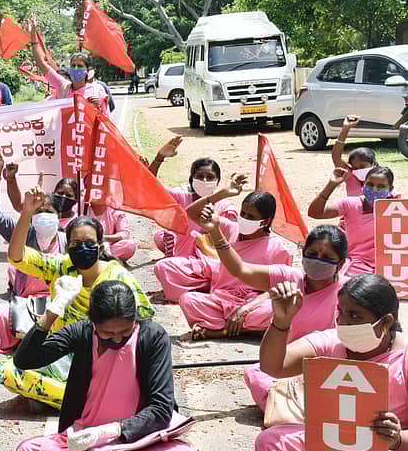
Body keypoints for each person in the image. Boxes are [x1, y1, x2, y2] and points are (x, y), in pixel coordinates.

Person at [14, 280, 198, 451]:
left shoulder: (153, 337)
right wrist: (54, 309)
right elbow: (25, 359)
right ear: (93, 323)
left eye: (124, 332)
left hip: (134, 444)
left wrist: (111, 430)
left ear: (135, 320)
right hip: (83, 444)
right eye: (108, 334)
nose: (118, 339)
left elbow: (161, 409)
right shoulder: (81, 333)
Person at [253, 274, 408, 451]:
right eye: (341, 312)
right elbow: (274, 366)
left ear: (385, 322)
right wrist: (281, 321)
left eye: (355, 316)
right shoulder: (333, 342)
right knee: (271, 443)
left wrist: (397, 439)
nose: (344, 323)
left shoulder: (404, 360)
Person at [0, 185, 155, 409]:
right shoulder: (60, 267)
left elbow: (145, 321)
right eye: (76, 245)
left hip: (106, 356)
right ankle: (85, 398)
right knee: (9, 372)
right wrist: (27, 214)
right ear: (67, 246)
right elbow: (17, 256)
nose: (83, 249)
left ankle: (69, 397)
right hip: (62, 354)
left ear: (100, 245)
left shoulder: (117, 276)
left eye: (89, 244)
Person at [196, 204, 349, 409]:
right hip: (288, 366)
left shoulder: (348, 291)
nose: (317, 261)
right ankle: (293, 406)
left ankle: (291, 407)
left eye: (327, 258)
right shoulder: (289, 277)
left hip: (329, 370)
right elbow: (241, 270)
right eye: (312, 254)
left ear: (340, 264)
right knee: (256, 374)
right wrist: (215, 232)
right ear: (303, 253)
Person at [156, 191, 293, 339]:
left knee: (277, 310)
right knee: (187, 300)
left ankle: (224, 331)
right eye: (243, 214)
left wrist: (245, 309)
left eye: (251, 217)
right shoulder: (231, 228)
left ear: (265, 222)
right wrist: (223, 193)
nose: (244, 219)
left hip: (253, 303)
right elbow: (191, 212)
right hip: (222, 294)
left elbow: (277, 289)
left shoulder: (277, 248)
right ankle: (243, 327)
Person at [0, 154, 67, 354]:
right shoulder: (24, 234)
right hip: (25, 304)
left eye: (49, 212)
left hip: (60, 304)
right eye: (38, 212)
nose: (44, 217)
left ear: (59, 216)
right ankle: (26, 339)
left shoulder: (67, 239)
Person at [149, 148, 239, 259]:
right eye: (200, 176)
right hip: (182, 258)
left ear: (218, 180)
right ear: (192, 179)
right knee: (161, 253)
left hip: (211, 261)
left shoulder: (225, 207)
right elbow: (150, 185)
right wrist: (159, 157)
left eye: (210, 177)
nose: (204, 180)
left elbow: (231, 240)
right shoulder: (181, 197)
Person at [308, 165, 393, 275]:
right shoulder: (350, 204)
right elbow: (315, 213)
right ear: (363, 185)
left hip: (390, 268)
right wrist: (331, 185)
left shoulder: (397, 210)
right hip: (356, 268)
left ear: (390, 189)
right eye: (370, 185)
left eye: (381, 186)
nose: (374, 189)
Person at [29, 19, 110, 114]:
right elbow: (41, 64)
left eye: (79, 66)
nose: (75, 68)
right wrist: (33, 38)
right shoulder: (62, 86)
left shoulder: (96, 91)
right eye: (73, 65)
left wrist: (98, 108)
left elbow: (106, 123)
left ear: (87, 70)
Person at [331, 114, 377, 196]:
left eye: (362, 166)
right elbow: (336, 156)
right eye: (355, 168)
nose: (359, 170)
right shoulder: (350, 175)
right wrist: (346, 128)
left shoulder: (382, 176)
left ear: (374, 164)